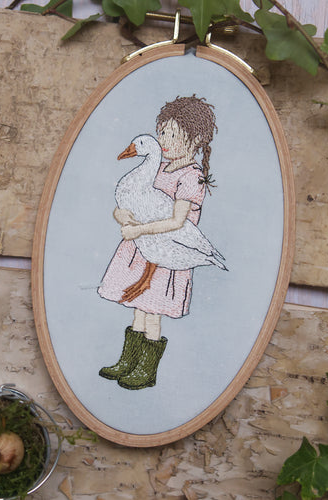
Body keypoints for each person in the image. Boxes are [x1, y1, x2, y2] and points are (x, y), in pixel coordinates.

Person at [97, 95, 218, 390]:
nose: (164, 141)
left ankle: (146, 370)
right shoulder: (157, 167)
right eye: (162, 133)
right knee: (138, 308)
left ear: (197, 139)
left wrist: (139, 230)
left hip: (166, 253)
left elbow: (178, 222)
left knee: (152, 311)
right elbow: (131, 200)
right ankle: (128, 361)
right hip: (140, 249)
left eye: (174, 135)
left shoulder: (193, 178)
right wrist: (120, 214)